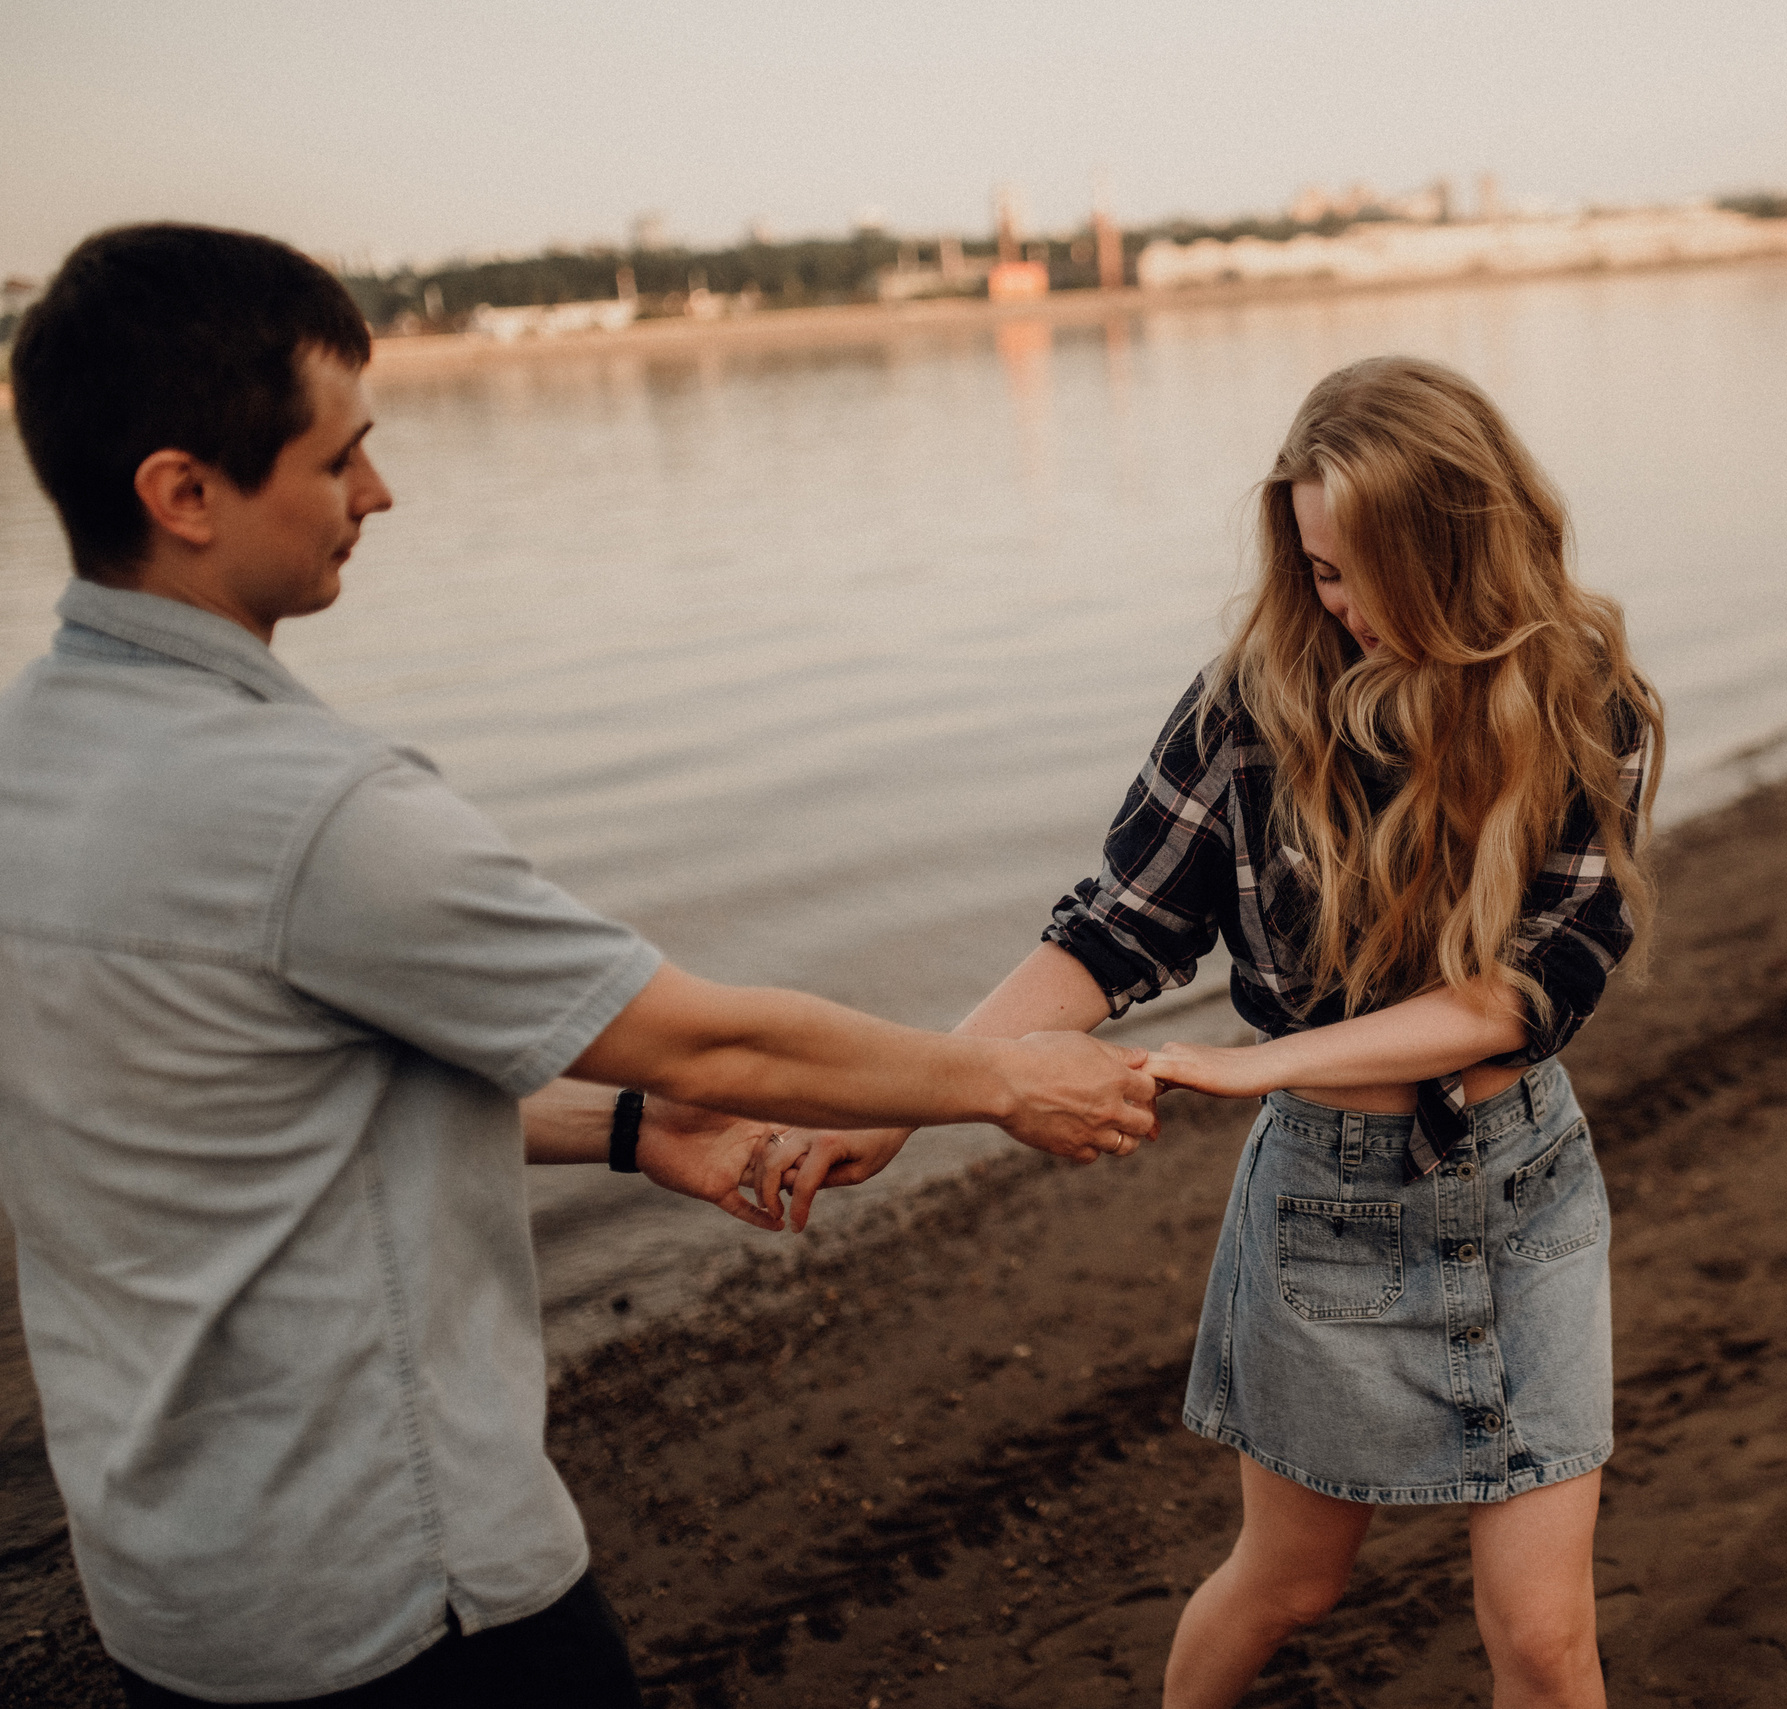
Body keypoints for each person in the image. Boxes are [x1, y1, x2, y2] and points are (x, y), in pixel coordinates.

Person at [0, 223, 1158, 1709]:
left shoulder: (27, 764)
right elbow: (704, 1041)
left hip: (173, 1594)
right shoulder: (315, 811)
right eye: (338, 457)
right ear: (184, 493)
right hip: (400, 1593)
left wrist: (626, 1132)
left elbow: (271, 1102)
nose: (380, 490)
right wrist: (1004, 1077)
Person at [770, 356, 1662, 1708]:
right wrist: (908, 1100)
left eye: (1368, 570)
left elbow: (1523, 999)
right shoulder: (1247, 709)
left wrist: (1245, 1063)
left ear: (1464, 548)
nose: (1340, 608)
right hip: (1329, 1213)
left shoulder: (1584, 695)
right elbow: (1109, 932)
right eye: (1317, 569)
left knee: (1544, 1638)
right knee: (1289, 1585)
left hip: (1530, 1193)